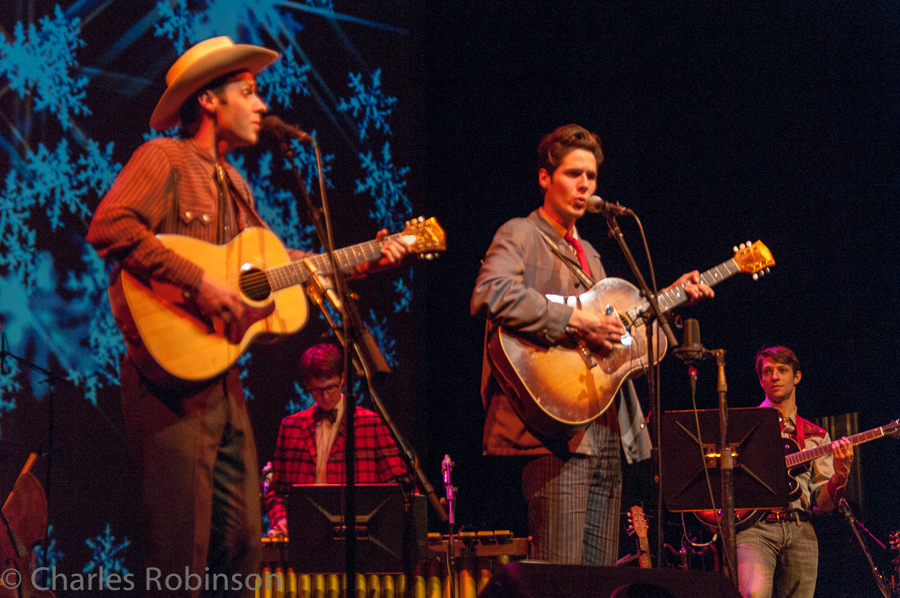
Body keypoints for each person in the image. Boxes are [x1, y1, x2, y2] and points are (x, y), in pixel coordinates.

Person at [86, 37, 408, 597]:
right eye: (250, 92)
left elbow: (277, 267)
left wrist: (362, 260)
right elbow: (110, 228)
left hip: (225, 386)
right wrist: (199, 283)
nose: (262, 105)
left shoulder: (236, 184)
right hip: (167, 388)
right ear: (209, 101)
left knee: (241, 552)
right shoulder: (163, 158)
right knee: (178, 558)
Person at [470, 123, 714, 566]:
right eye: (572, 174)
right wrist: (573, 320)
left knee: (599, 580)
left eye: (591, 177)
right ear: (545, 177)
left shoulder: (591, 252)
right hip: (554, 430)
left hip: (605, 427)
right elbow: (491, 294)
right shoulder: (520, 235)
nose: (584, 185)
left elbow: (615, 337)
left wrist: (669, 304)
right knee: (563, 579)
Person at [736, 346, 854, 598]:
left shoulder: (817, 435)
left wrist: (840, 476)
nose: (775, 376)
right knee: (753, 594)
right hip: (755, 528)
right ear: (761, 380)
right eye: (768, 371)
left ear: (796, 376)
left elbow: (822, 504)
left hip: (801, 528)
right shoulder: (742, 427)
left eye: (782, 370)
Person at [264, 342, 410, 538]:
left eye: (330, 387)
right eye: (316, 390)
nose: (324, 396)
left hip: (357, 539)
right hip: (306, 537)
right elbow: (276, 493)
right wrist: (281, 519)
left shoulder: (370, 423)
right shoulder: (290, 427)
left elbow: (399, 489)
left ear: (342, 379)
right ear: (306, 385)